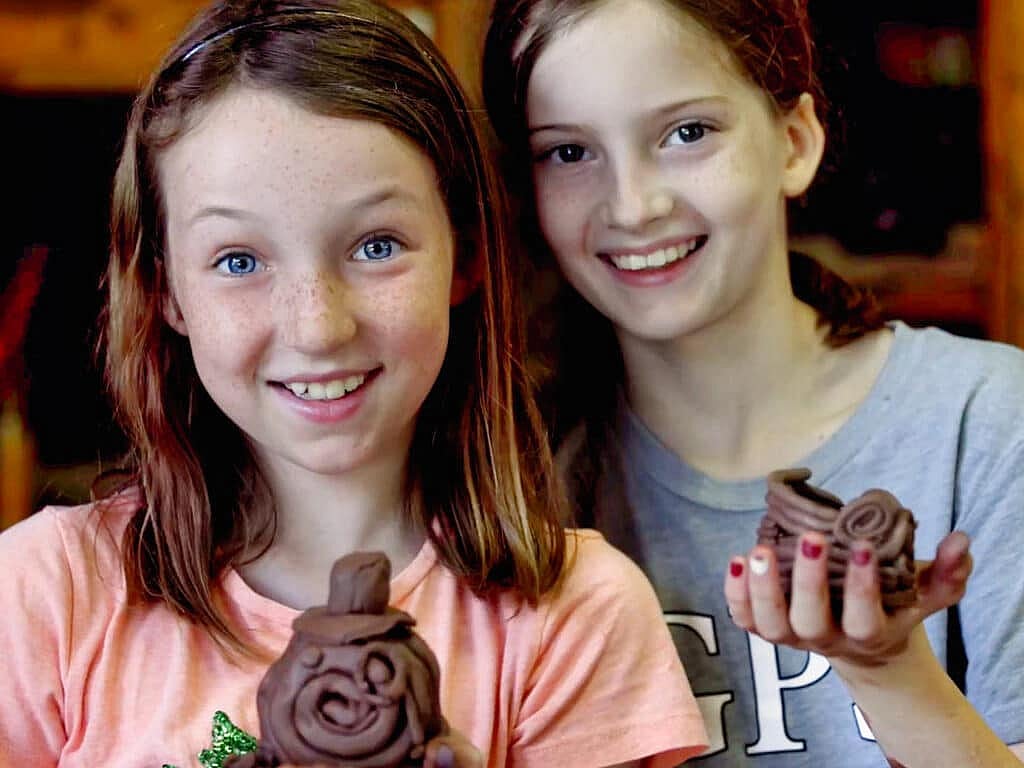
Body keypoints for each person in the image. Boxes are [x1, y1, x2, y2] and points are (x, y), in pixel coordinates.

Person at [0, 1, 712, 765]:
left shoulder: (575, 615)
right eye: (239, 260)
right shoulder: (44, 594)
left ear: (464, 256)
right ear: (166, 289)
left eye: (376, 245)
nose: (317, 327)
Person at [481, 0, 1024, 765]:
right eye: (569, 153)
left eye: (686, 133)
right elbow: (253, 719)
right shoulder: (505, 483)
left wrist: (891, 672)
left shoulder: (991, 424)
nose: (635, 206)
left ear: (795, 141)